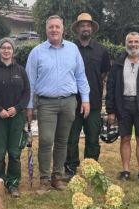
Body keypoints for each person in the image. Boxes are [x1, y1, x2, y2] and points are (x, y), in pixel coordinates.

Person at [25, 15, 90, 194]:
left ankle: (57, 177)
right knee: (46, 140)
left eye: (57, 27)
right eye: (51, 27)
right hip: (46, 103)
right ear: (46, 30)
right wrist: (29, 106)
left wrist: (85, 99)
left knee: (62, 141)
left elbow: (80, 76)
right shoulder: (36, 52)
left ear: (63, 29)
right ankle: (44, 180)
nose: (54, 30)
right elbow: (29, 82)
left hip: (69, 101)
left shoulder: (73, 49)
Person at [106, 32, 139, 182]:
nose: (133, 45)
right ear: (126, 43)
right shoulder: (118, 63)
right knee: (125, 138)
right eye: (130, 42)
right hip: (123, 105)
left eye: (136, 42)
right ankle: (125, 171)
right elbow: (110, 86)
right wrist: (110, 110)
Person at [64, 13, 110, 179]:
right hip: (72, 102)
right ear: (77, 28)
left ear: (92, 29)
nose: (85, 28)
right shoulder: (68, 48)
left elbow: (104, 73)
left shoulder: (101, 50)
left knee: (92, 138)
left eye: (88, 25)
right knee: (71, 138)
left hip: (94, 102)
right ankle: (70, 168)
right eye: (82, 25)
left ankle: (90, 169)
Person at [0, 38, 30, 198]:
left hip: (16, 117)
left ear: (13, 51)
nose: (6, 50)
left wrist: (17, 108)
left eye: (9, 48)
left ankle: (13, 183)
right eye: (3, 47)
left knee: (14, 153)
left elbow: (27, 93)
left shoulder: (20, 71)